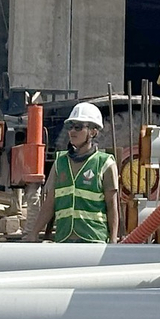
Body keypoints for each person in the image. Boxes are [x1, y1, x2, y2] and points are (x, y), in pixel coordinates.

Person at [23, 102, 122, 243]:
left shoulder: (105, 163)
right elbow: (49, 204)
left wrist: (112, 241)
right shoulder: (60, 162)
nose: (72, 131)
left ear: (93, 132)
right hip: (64, 239)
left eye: (78, 127)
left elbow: (112, 207)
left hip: (93, 240)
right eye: (70, 127)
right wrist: (34, 233)